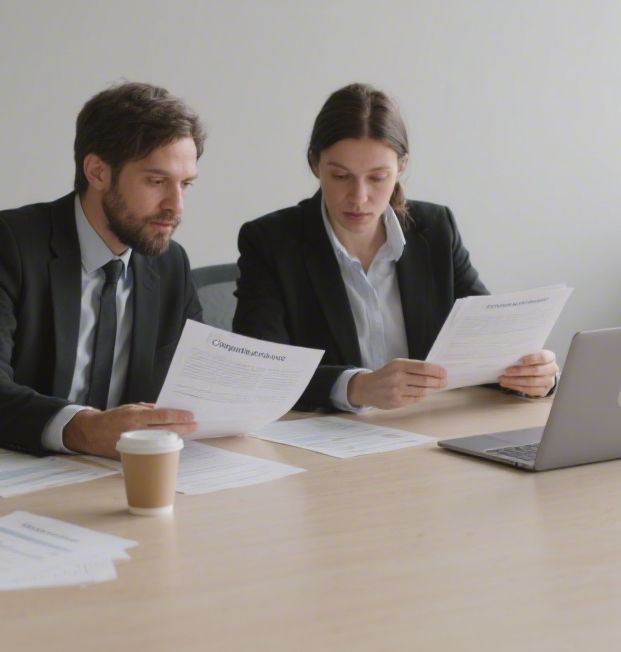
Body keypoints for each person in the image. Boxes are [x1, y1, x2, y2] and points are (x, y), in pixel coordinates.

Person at [233, 83, 558, 412]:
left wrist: (534, 375)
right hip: (322, 441)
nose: (359, 197)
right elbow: (261, 372)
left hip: (422, 431)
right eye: (341, 176)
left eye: (377, 178)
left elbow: (487, 344)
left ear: (401, 166)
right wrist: (356, 387)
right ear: (316, 164)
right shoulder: (270, 242)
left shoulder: (435, 230)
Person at [0, 82, 204, 458]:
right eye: (156, 181)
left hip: (109, 477)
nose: (176, 205)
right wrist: (82, 429)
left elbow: (194, 383)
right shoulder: (5, 243)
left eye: (185, 184)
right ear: (97, 172)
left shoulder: (170, 263)